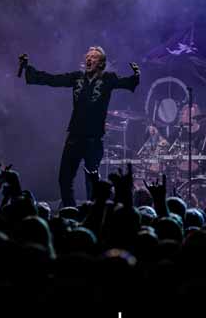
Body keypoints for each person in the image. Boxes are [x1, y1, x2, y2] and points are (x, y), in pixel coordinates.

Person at [19, 46, 140, 207]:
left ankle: (93, 209)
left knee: (92, 178)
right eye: (88, 56)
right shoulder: (77, 77)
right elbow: (52, 79)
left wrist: (136, 75)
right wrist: (28, 68)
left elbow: (125, 83)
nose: (89, 59)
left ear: (101, 63)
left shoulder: (108, 78)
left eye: (94, 57)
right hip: (75, 135)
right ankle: (70, 210)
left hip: (94, 138)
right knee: (64, 178)